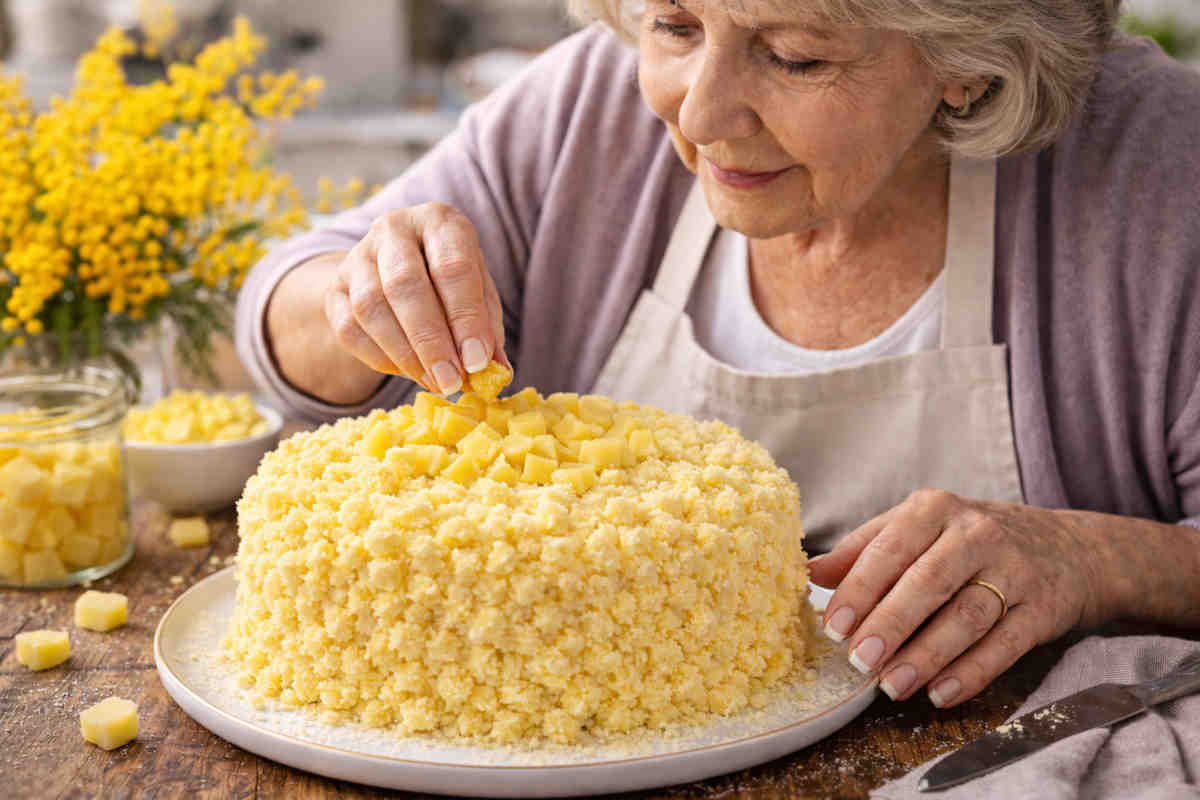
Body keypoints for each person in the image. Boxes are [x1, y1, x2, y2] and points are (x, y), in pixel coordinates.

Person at [237, 0, 1200, 710]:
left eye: (791, 55)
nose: (699, 116)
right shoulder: (583, 111)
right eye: (673, 26)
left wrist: (1090, 556)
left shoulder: (1160, 173)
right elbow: (285, 305)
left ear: (967, 59)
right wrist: (357, 299)